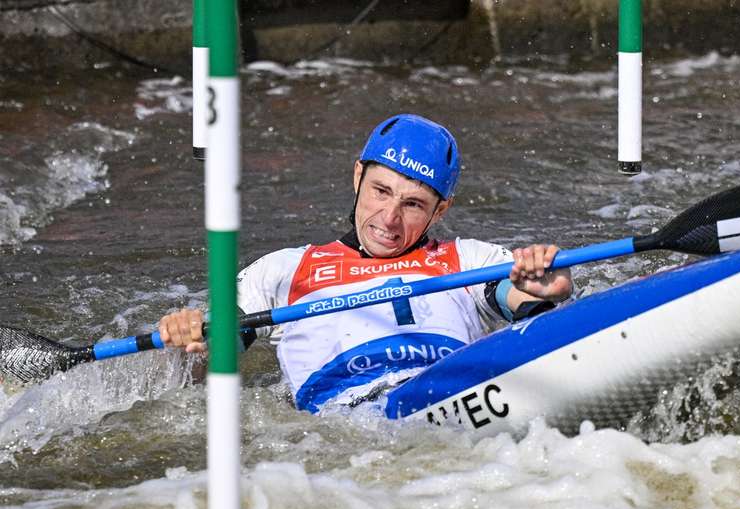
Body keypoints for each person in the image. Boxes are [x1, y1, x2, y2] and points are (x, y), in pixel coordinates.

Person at [160, 114, 573, 412]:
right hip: (342, 420)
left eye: (412, 204)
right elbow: (218, 355)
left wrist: (542, 291)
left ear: (440, 210)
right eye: (380, 191)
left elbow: (518, 298)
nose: (389, 218)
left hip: (457, 395)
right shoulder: (284, 269)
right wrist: (194, 339)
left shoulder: (469, 260)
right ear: (358, 176)